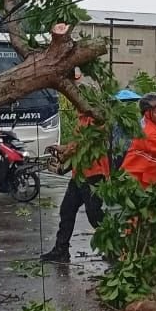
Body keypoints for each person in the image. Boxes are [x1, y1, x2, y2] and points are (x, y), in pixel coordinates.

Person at [40, 111, 109, 265]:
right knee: (67, 210)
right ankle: (61, 249)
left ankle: (115, 247)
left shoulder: (94, 120)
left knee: (94, 215)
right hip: (79, 174)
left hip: (93, 174)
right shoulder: (82, 119)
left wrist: (63, 156)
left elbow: (81, 145)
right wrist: (63, 148)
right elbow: (75, 144)